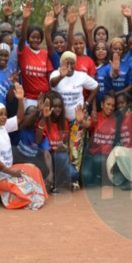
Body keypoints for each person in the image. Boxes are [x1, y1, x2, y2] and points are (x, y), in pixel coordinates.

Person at [0, 83, 48, 209]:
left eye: (5, 114)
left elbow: (19, 118)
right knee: (23, 191)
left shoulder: (3, 126)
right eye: (0, 114)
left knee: (34, 170)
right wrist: (11, 172)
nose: (4, 117)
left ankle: (1, 191)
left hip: (9, 170)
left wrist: (20, 100)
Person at [50, 51, 98, 179]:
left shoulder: (81, 76)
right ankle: (62, 177)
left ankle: (75, 179)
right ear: (61, 63)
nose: (70, 66)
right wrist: (61, 75)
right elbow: (52, 84)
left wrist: (87, 103)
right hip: (61, 121)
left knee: (76, 150)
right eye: (66, 62)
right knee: (63, 149)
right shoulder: (56, 74)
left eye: (72, 63)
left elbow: (96, 87)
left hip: (78, 120)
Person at [38, 92, 84, 193]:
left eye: (60, 106)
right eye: (55, 106)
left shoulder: (65, 122)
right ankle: (54, 184)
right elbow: (39, 142)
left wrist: (64, 148)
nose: (58, 109)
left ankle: (59, 180)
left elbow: (68, 147)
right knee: (61, 157)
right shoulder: (44, 122)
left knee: (74, 174)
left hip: (60, 161)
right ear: (49, 107)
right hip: (47, 160)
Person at [106, 87, 132, 190]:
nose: (120, 106)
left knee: (117, 151)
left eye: (122, 103)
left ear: (128, 103)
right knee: (112, 156)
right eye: (118, 104)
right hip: (127, 154)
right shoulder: (120, 119)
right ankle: (122, 179)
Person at [18, 0, 54, 109]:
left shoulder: (45, 54)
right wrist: (25, 19)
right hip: (28, 99)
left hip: (44, 98)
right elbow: (22, 38)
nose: (36, 40)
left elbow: (49, 77)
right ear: (28, 38)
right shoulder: (24, 51)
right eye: (33, 37)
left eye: (38, 37)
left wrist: (49, 96)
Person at [12, 104, 54, 189]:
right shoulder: (19, 128)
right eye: (28, 114)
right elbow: (25, 123)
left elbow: (46, 154)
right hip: (17, 165)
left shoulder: (39, 131)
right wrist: (38, 112)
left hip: (34, 165)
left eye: (34, 115)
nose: (30, 117)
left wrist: (51, 173)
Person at [82, 93, 117, 187]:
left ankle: (103, 179)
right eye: (108, 104)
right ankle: (96, 178)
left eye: (113, 105)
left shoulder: (116, 120)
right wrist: (81, 121)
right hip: (91, 155)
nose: (110, 107)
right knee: (85, 177)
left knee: (99, 159)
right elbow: (87, 124)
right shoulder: (95, 117)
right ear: (102, 104)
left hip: (105, 157)